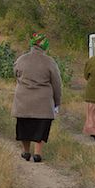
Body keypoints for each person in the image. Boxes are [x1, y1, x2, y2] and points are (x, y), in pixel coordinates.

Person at [12, 32, 63, 163]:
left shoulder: (21, 59)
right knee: (41, 126)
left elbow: (16, 74)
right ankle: (38, 154)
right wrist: (57, 102)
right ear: (44, 45)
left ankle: (25, 151)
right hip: (43, 103)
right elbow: (57, 84)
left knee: (24, 126)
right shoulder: (50, 62)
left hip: (23, 100)